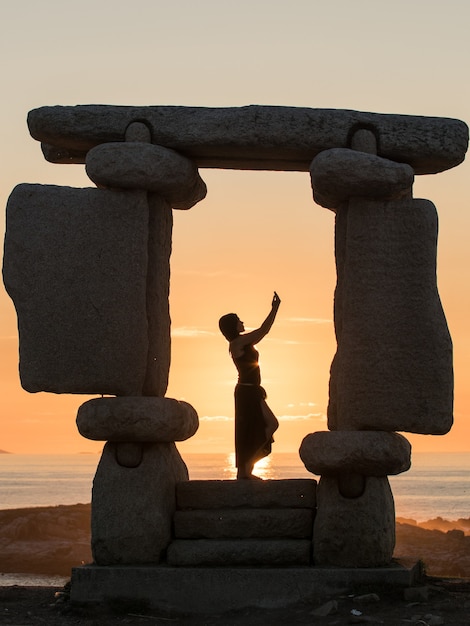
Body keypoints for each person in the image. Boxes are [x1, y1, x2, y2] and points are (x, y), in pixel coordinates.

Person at [219, 292, 281, 479]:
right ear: (233, 326)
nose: (242, 322)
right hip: (246, 392)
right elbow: (263, 331)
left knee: (263, 426)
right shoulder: (237, 343)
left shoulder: (242, 342)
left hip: (253, 390)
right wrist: (275, 308)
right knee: (268, 425)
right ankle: (246, 470)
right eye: (238, 320)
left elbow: (262, 332)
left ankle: (246, 470)